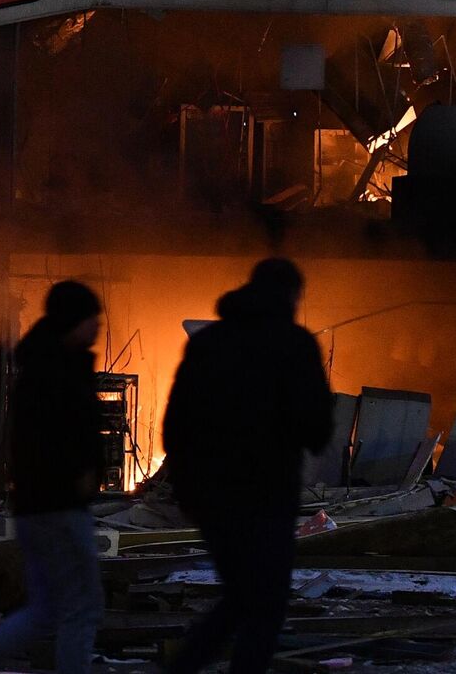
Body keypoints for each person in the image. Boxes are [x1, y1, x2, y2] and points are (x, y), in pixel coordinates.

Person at [163, 258, 334, 674]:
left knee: (242, 595)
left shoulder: (207, 343)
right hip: (267, 497)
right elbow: (316, 428)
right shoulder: (294, 344)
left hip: (211, 500)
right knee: (264, 603)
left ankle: (183, 666)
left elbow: (175, 424)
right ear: (293, 295)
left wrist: (186, 488)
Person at [0, 280, 107, 674]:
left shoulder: (40, 366)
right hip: (60, 507)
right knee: (82, 607)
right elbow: (62, 437)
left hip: (36, 507)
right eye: (92, 319)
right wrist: (80, 476)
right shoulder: (59, 372)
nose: (97, 327)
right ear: (73, 320)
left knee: (46, 610)